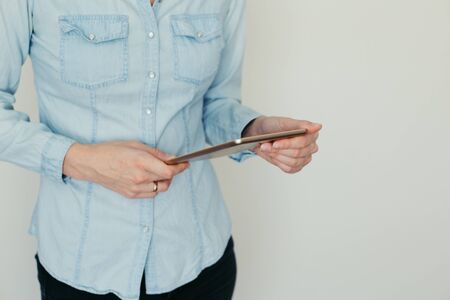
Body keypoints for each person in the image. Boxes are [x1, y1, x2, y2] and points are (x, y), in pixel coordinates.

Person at [0, 0, 322, 299]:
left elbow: (217, 104)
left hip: (199, 262)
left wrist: (255, 130)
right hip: (83, 267)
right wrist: (85, 162)